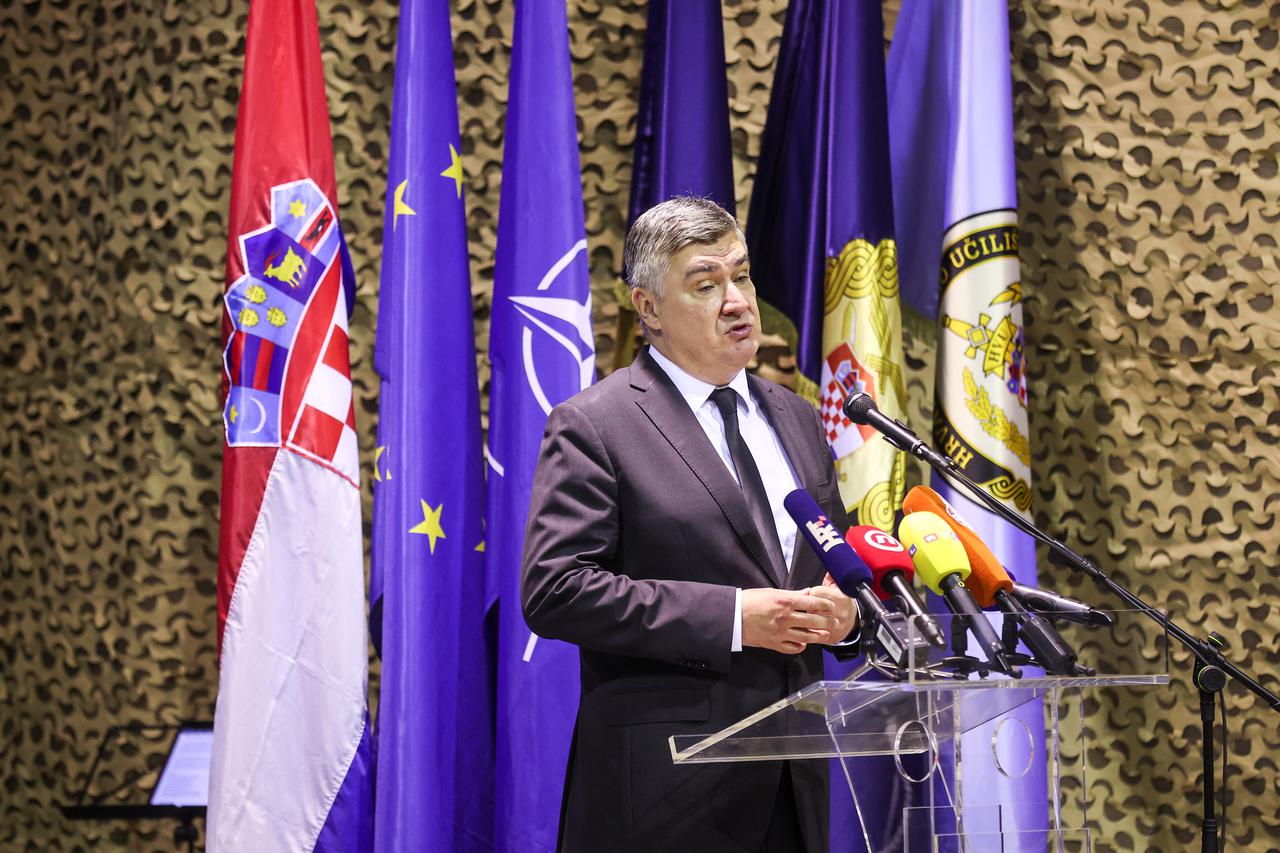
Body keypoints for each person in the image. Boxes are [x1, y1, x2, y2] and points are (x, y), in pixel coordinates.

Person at [522, 196, 858, 853]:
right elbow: (557, 589)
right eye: (706, 284)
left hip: (793, 788)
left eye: (743, 276)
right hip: (663, 795)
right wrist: (733, 617)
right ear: (648, 307)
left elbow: (835, 561)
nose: (737, 301)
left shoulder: (797, 417)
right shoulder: (596, 424)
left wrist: (848, 613)